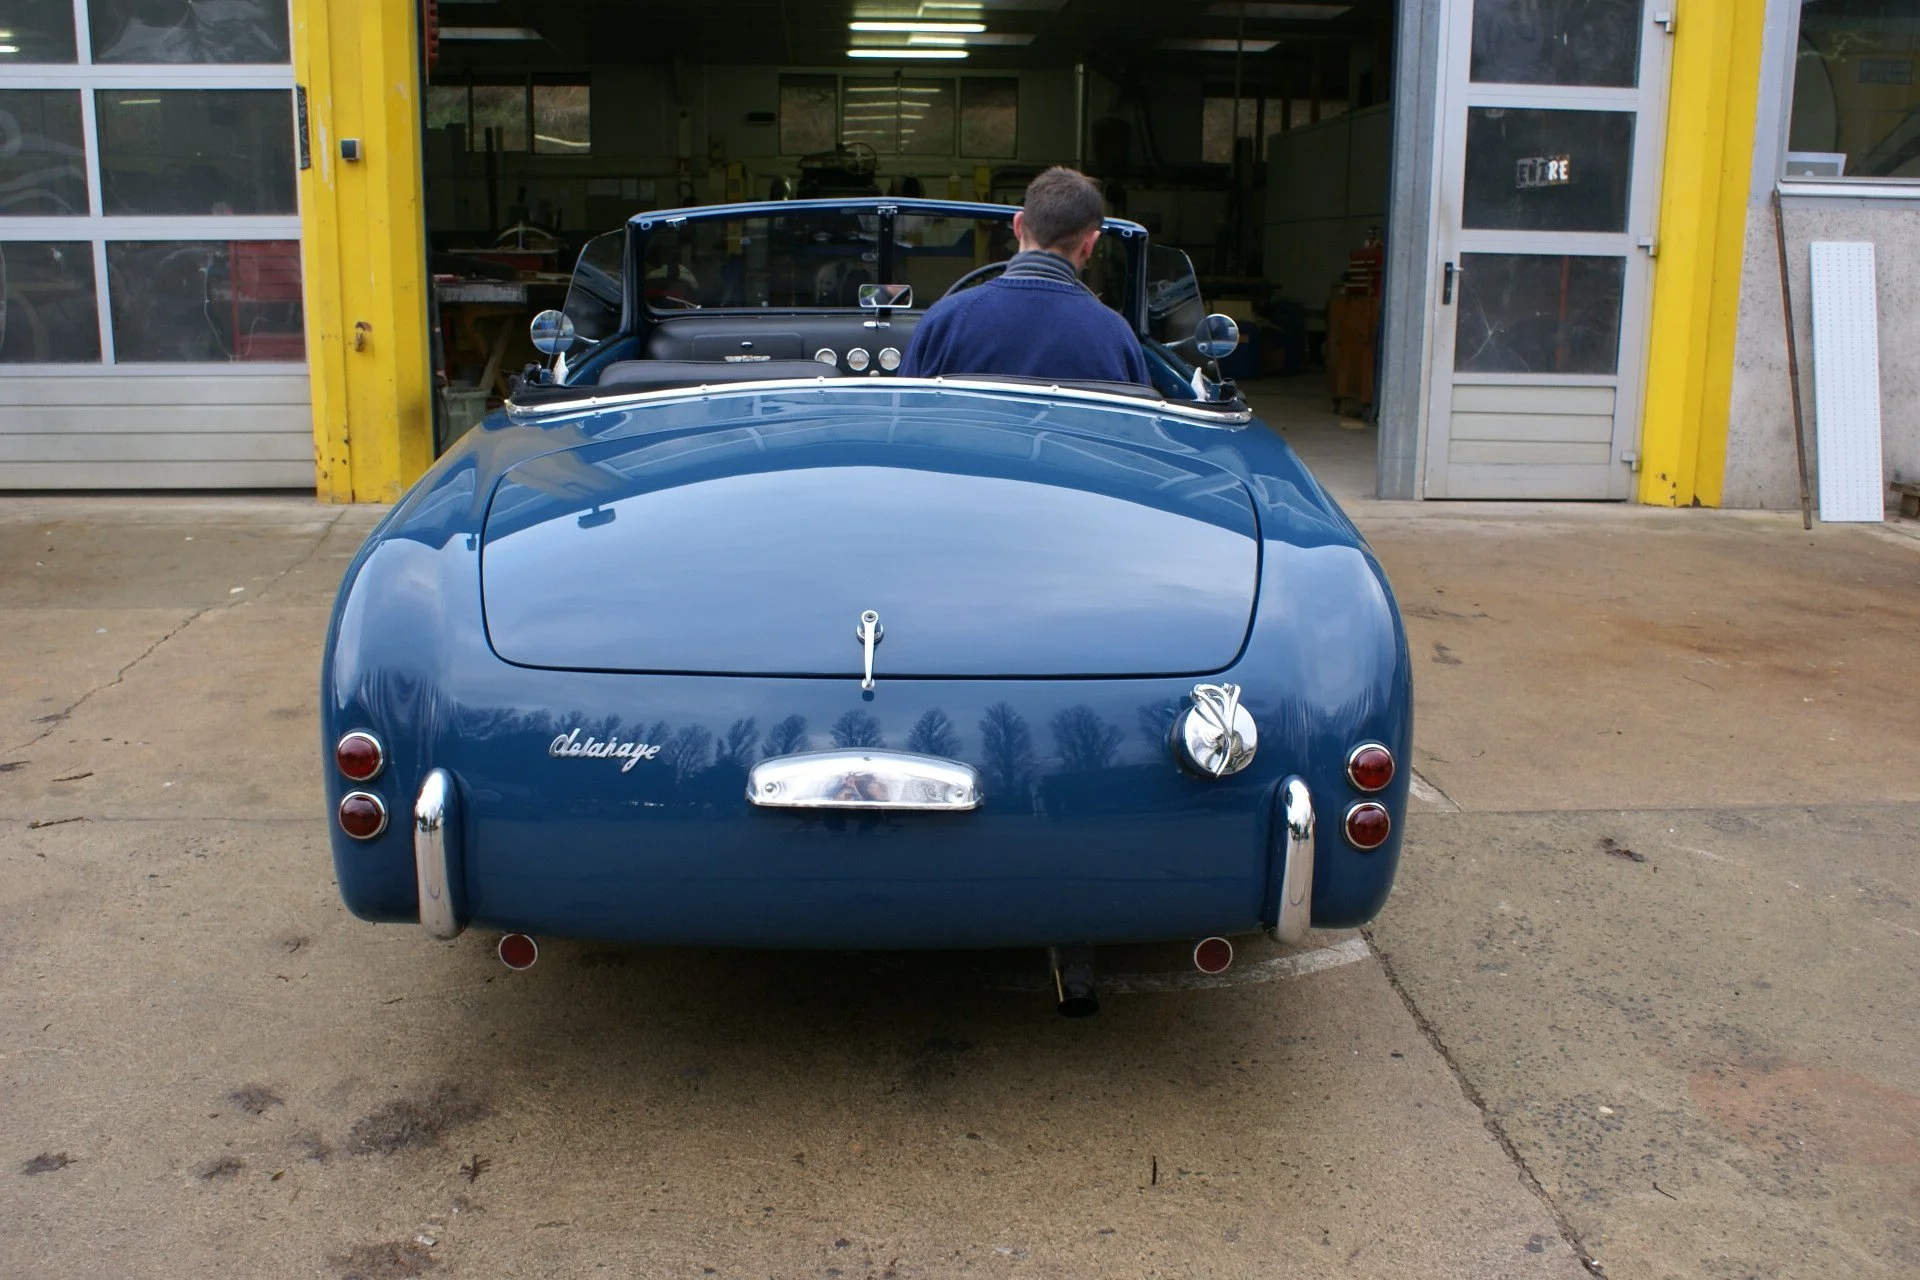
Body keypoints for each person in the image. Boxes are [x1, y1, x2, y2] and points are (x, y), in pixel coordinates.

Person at [901, 167, 1151, 386]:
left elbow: (903, 415)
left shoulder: (943, 320)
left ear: (1019, 226)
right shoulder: (1116, 336)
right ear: (1090, 244)